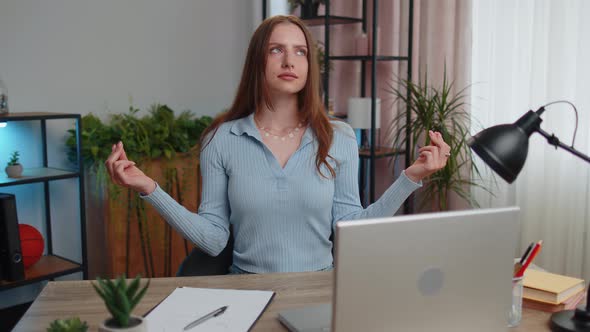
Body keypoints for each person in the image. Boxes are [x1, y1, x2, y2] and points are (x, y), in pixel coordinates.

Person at [105, 15, 451, 274]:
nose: (289, 61)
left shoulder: (339, 137)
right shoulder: (221, 139)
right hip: (246, 290)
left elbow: (352, 229)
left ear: (308, 67)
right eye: (277, 50)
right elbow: (213, 239)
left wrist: (412, 176)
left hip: (318, 289)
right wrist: (149, 187)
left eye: (300, 52)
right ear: (259, 61)